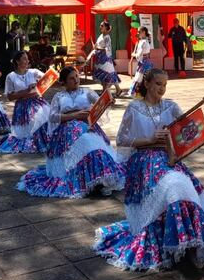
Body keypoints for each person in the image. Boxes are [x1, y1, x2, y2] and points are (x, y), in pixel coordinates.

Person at [94, 68, 204, 271]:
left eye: (165, 85)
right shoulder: (134, 108)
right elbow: (122, 140)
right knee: (174, 187)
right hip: (143, 161)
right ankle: (181, 245)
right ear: (147, 84)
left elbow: (191, 130)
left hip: (169, 159)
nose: (162, 88)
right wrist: (149, 140)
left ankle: (193, 244)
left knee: (183, 188)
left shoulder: (171, 106)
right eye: (158, 84)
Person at [18, 66, 125, 198]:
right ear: (64, 82)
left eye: (77, 76)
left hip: (87, 125)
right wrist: (75, 115)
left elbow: (99, 103)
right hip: (66, 130)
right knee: (85, 143)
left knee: (93, 146)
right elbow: (52, 117)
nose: (76, 80)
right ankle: (88, 180)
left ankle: (102, 180)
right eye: (71, 78)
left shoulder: (87, 92)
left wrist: (108, 101)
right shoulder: (59, 96)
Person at [0, 51, 50, 154]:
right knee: (32, 122)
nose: (27, 60)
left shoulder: (34, 72)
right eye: (24, 58)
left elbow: (48, 79)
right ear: (17, 61)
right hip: (22, 105)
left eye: (27, 58)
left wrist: (39, 85)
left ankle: (44, 140)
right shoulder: (11, 76)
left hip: (37, 101)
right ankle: (35, 141)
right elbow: (10, 97)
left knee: (44, 116)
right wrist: (26, 91)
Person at [92, 21, 122, 97]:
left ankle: (112, 90)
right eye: (100, 25)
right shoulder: (101, 35)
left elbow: (107, 48)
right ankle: (107, 91)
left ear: (106, 27)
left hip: (105, 58)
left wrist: (97, 48)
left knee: (108, 74)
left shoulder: (107, 37)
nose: (100, 27)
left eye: (102, 25)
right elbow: (97, 45)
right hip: (100, 57)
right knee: (105, 74)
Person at [128, 26, 153, 96]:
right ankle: (145, 93)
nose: (138, 33)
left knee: (139, 78)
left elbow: (139, 54)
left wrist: (133, 54)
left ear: (144, 32)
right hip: (145, 62)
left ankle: (135, 93)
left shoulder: (143, 42)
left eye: (139, 32)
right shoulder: (144, 41)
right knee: (145, 78)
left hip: (143, 63)